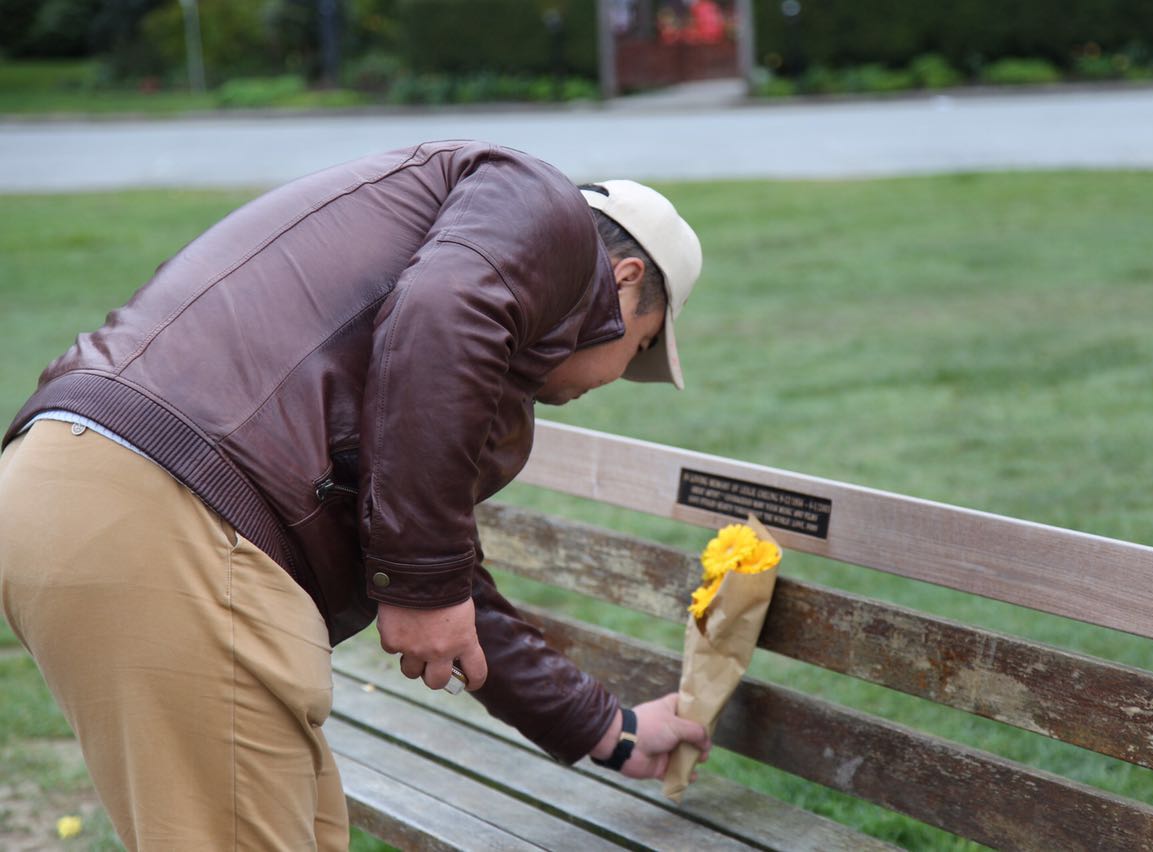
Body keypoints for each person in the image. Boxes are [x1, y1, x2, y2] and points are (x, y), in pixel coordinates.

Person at [0, 140, 711, 849]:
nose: (611, 381)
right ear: (624, 278)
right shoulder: (538, 207)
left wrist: (605, 730)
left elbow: (449, 580)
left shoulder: (440, 326)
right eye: (640, 349)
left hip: (89, 487)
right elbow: (442, 310)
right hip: (168, 512)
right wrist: (425, 587)